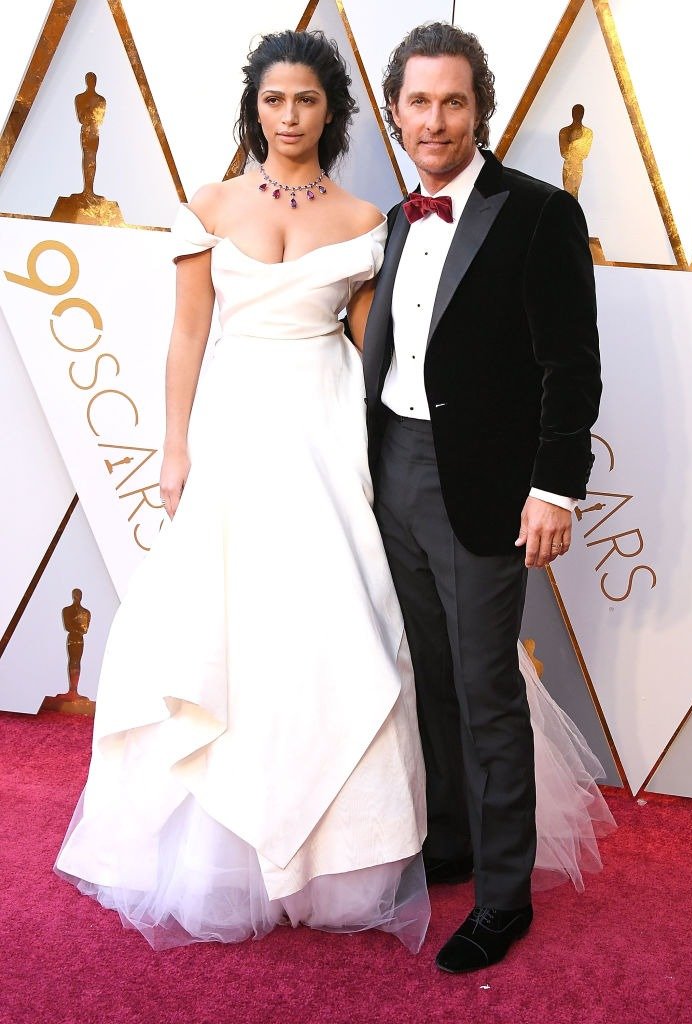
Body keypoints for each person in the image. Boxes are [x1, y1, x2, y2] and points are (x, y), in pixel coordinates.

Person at [55, 29, 430, 953]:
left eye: (306, 100)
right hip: (230, 427)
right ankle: (218, 845)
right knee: (224, 622)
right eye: (274, 100)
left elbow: (370, 348)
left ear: (331, 110)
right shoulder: (210, 204)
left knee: (324, 619)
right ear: (254, 108)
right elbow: (187, 336)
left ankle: (332, 851)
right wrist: (173, 446)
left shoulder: (362, 219)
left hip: (325, 430)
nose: (290, 116)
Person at [363, 23, 609, 973]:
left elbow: (571, 366)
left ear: (482, 109)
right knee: (429, 675)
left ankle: (504, 897)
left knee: (485, 687)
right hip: (392, 471)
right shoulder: (395, 219)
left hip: (487, 489)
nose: (435, 119)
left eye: (453, 101)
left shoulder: (540, 214)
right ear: (396, 112)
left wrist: (554, 488)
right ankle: (454, 841)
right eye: (418, 102)